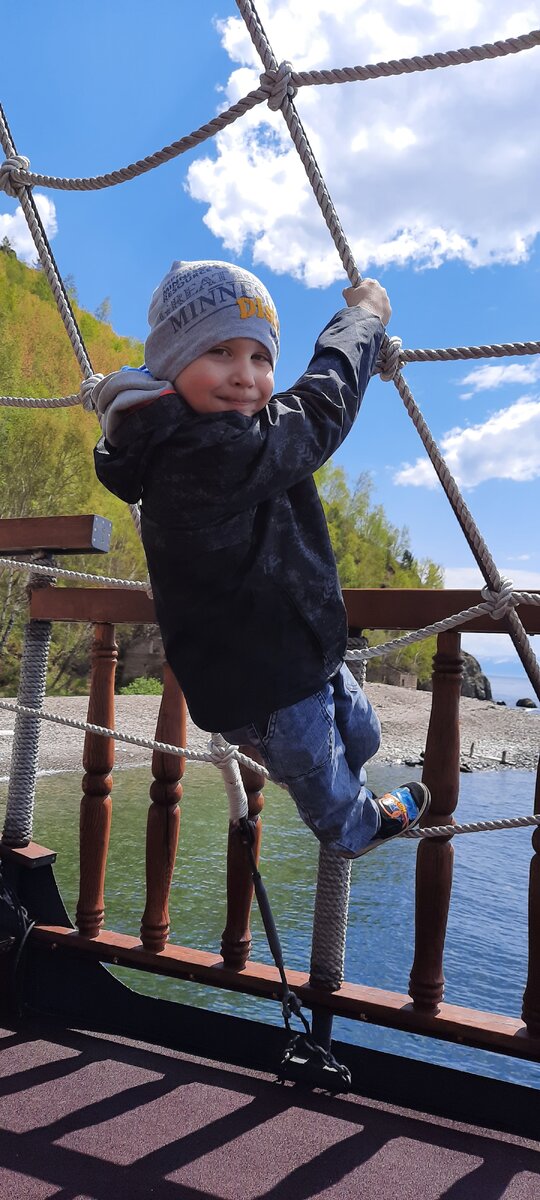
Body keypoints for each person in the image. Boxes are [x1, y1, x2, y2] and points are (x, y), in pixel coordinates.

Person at [93, 260, 430, 857]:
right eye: (220, 351)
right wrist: (362, 320)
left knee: (361, 733)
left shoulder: (210, 432)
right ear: (171, 361)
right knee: (322, 780)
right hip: (267, 681)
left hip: (298, 648)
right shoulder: (201, 451)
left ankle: (321, 768)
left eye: (261, 358)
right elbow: (319, 410)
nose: (245, 377)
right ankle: (355, 827)